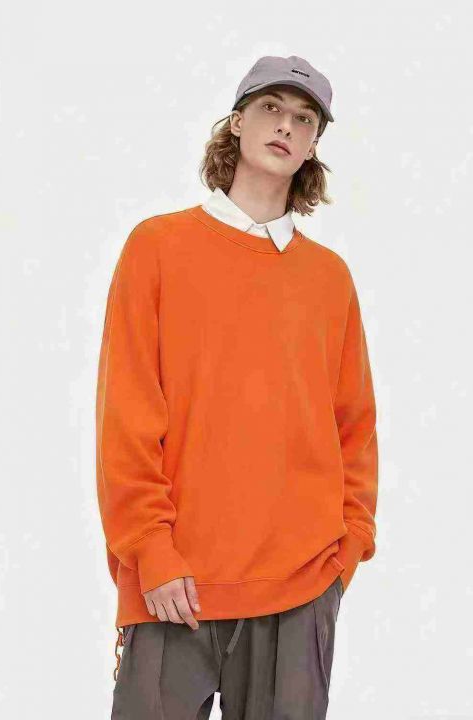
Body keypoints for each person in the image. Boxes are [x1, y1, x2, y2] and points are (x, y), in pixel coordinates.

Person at [95, 54, 379, 719]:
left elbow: (354, 424)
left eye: (303, 119)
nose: (285, 126)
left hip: (301, 586)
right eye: (270, 108)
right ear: (236, 123)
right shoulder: (157, 247)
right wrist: (150, 550)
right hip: (173, 582)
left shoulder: (328, 279)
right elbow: (127, 412)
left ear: (313, 146)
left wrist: (346, 550)